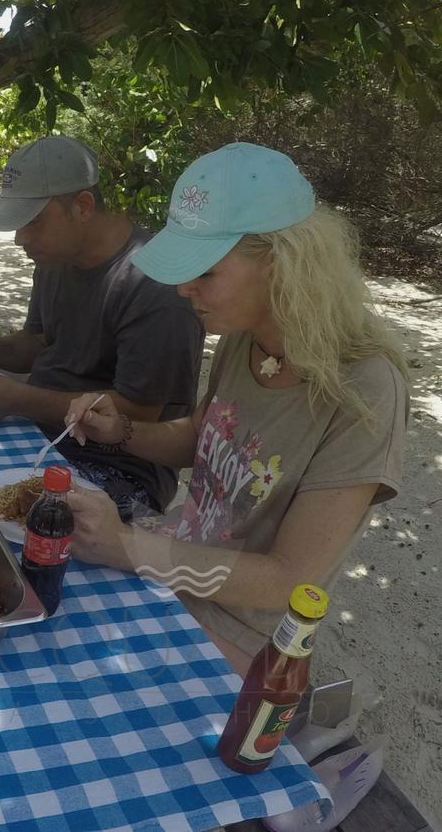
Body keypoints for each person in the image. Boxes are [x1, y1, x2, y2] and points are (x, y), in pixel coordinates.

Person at [62, 143, 408, 673]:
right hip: (169, 562)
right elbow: (199, 440)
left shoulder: (364, 387)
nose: (184, 288)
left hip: (243, 631)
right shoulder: (243, 336)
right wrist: (121, 431)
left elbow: (289, 579)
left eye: (205, 271)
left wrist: (123, 546)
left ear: (282, 262)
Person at [0, 136, 204, 517]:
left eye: (33, 223)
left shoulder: (156, 285)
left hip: (121, 466)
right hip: (41, 434)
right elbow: (40, 341)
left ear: (83, 206)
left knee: (32, 534)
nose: (20, 239)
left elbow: (141, 413)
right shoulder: (55, 257)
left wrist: (16, 398)